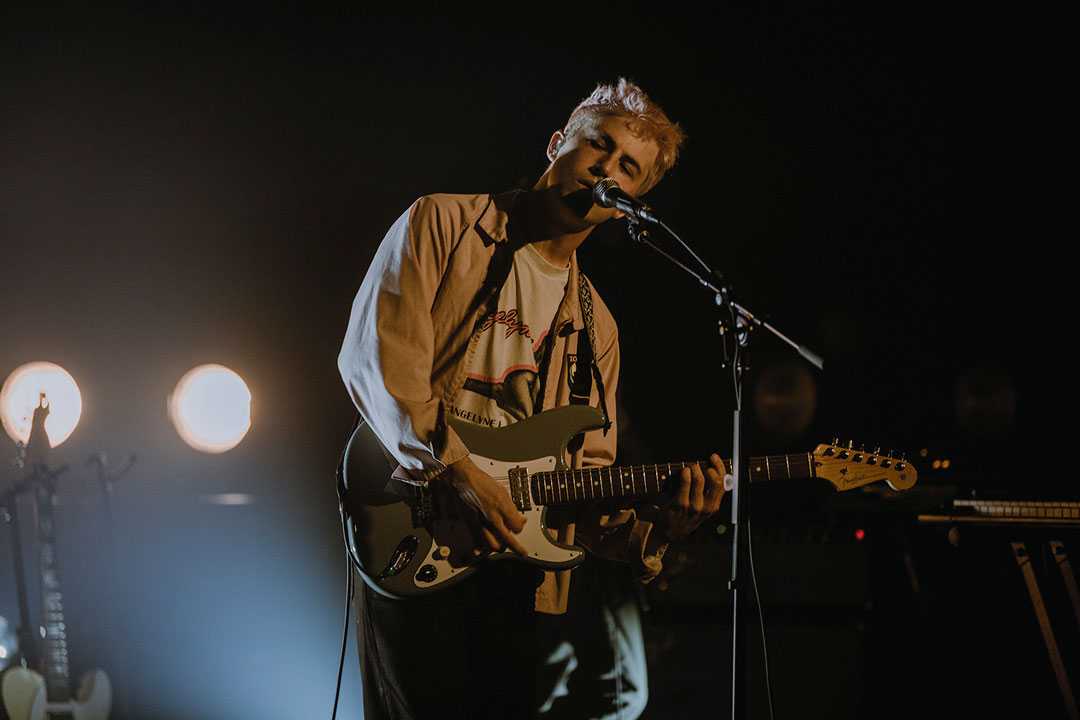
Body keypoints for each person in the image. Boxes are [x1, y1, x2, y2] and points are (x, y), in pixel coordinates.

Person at [338, 78, 727, 720]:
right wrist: (456, 472)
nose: (607, 167)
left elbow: (586, 485)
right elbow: (377, 358)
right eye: (597, 145)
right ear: (558, 143)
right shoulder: (442, 221)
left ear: (631, 201)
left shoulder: (597, 324)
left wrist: (660, 527)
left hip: (517, 568)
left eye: (629, 167)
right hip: (416, 519)